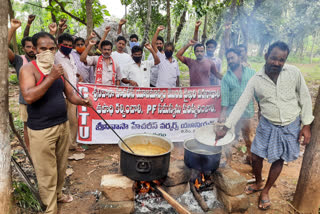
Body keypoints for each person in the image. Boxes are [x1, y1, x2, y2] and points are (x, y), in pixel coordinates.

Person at [216, 41, 314, 210]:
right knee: (255, 156)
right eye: (274, 58)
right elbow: (241, 104)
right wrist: (226, 127)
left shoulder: (294, 73)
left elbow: (305, 98)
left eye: (281, 60)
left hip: (290, 125)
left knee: (279, 159)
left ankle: (266, 190)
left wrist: (306, 125)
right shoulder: (256, 80)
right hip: (267, 124)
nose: (277, 63)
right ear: (266, 55)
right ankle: (258, 181)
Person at [19, 32, 92, 214]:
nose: (48, 52)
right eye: (43, 48)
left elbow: (70, 95)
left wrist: (83, 101)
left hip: (62, 125)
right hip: (42, 130)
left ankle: (58, 195)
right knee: (46, 172)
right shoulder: (28, 69)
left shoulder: (59, 69)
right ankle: (50, 209)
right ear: (35, 50)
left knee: (60, 167)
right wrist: (50, 77)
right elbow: (29, 96)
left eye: (52, 48)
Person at [219, 48, 256, 164]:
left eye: (232, 58)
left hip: (247, 112)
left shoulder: (251, 73)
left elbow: (258, 92)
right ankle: (228, 161)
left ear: (239, 57)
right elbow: (225, 96)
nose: (230, 61)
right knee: (228, 139)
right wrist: (223, 113)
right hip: (232, 114)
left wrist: (261, 108)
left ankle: (251, 159)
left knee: (249, 139)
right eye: (228, 59)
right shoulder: (226, 77)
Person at [8, 19, 36, 150]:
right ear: (23, 48)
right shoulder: (19, 59)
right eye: (28, 47)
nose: (31, 50)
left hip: (41, 98)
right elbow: (3, 47)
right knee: (27, 126)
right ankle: (30, 151)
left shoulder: (41, 59)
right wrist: (12, 29)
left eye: (33, 47)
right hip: (25, 100)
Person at [55, 33, 84, 152]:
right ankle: (62, 147)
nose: (68, 47)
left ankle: (72, 144)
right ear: (59, 45)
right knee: (62, 122)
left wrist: (77, 76)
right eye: (65, 45)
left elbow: (71, 71)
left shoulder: (71, 56)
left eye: (70, 45)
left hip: (72, 93)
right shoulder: (55, 57)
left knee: (73, 120)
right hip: (60, 95)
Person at [193, 21, 222, 85]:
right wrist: (196, 29)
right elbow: (195, 43)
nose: (210, 49)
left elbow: (218, 74)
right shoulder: (201, 57)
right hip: (202, 85)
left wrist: (219, 86)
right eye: (208, 47)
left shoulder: (218, 61)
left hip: (214, 85)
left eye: (212, 47)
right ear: (206, 48)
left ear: (215, 48)